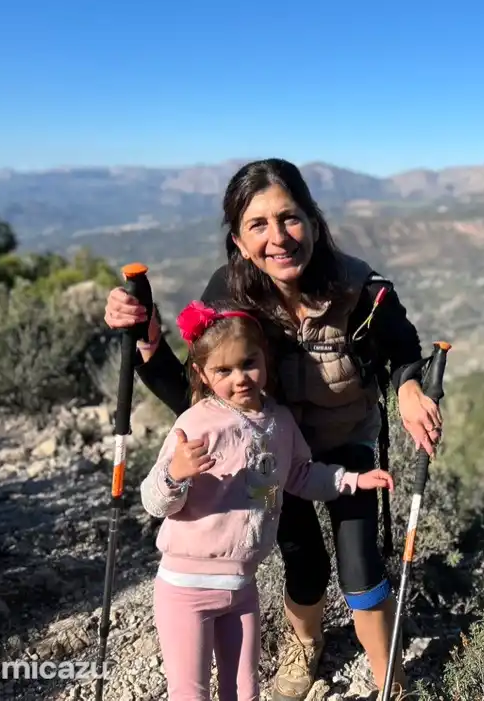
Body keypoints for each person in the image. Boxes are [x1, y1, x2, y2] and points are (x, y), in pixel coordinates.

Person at [104, 158, 443, 701]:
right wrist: (144, 339)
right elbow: (198, 392)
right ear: (238, 242)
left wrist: (408, 390)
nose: (278, 237)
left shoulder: (363, 289)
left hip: (344, 440)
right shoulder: (228, 298)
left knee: (359, 560)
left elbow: (403, 347)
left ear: (313, 220)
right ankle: (304, 647)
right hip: (271, 452)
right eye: (257, 225)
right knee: (301, 551)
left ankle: (387, 679)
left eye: (289, 218)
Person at [141, 299, 394, 701]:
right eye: (223, 370)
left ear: (266, 359)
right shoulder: (194, 424)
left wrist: (351, 480)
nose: (239, 378)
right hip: (185, 587)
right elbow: (155, 502)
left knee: (245, 690)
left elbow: (300, 475)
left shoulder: (279, 420)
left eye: (248, 363)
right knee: (190, 692)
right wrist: (175, 474)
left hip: (242, 586)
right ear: (201, 374)